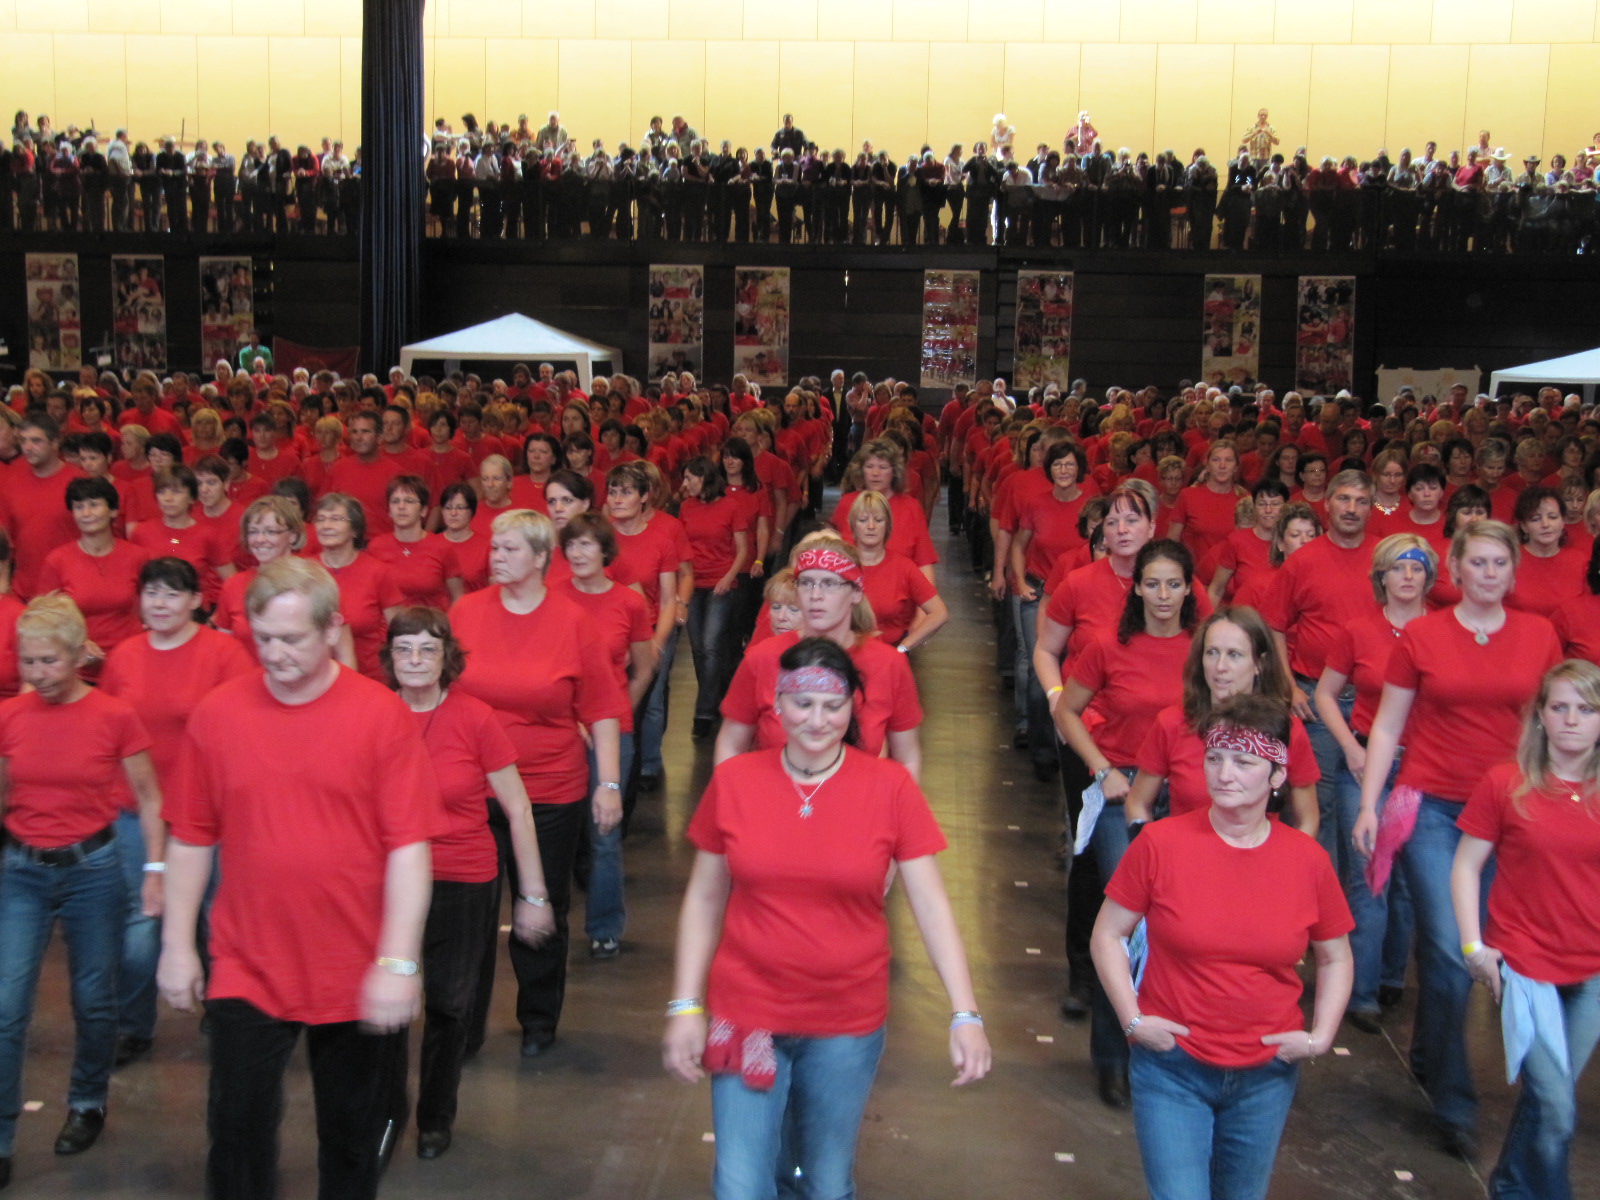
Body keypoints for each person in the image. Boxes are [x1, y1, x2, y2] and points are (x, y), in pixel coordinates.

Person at [157, 557, 445, 1200]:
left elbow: (409, 848)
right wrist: (176, 946)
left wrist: (398, 962)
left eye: (292, 638)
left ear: (332, 628)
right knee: (236, 1132)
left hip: (354, 964)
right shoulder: (218, 715)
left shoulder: (380, 716)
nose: (275, 654)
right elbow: (192, 837)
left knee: (351, 1138)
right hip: (248, 962)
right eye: (262, 638)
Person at [663, 636, 991, 1199]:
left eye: (833, 706)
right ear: (777, 704)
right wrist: (685, 1004)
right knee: (740, 1185)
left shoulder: (889, 787)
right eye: (802, 703)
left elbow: (931, 905)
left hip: (846, 1018)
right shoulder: (735, 781)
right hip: (749, 1012)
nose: (817, 720)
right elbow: (704, 899)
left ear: (852, 707)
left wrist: (965, 1013)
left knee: (826, 1180)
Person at [1353, 519, 1563, 1159]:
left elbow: (1557, 724)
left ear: (1514, 570)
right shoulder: (1423, 635)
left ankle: (1429, 1047)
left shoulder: (1540, 635)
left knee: (1498, 949)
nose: (1489, 574)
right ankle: (1455, 1104)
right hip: (1434, 809)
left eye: (1500, 563)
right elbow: (1388, 726)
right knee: (1453, 950)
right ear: (1456, 570)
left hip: (1513, 812)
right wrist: (1370, 804)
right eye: (1478, 562)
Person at [1092, 694, 1353, 1200]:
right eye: (1214, 758)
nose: (1224, 774)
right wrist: (1132, 1020)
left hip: (1266, 1074)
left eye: (1244, 762)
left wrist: (1320, 1036)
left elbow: (1336, 954)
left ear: (1278, 776)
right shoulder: (1160, 844)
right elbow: (1107, 934)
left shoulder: (1307, 861)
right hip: (1172, 1067)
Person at [449, 509, 626, 1057]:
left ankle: (539, 1020)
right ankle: (462, 1026)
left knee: (540, 901)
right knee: (468, 912)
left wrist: (609, 785)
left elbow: (602, 708)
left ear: (540, 557)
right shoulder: (466, 612)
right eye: (494, 548)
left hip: (549, 788)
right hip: (473, 789)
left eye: (509, 549)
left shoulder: (573, 622)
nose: (496, 557)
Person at [0, 596, 163, 1186]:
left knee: (94, 998)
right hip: (22, 870)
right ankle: (1, 1135)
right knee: (6, 1006)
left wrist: (155, 871)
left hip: (93, 870)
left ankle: (88, 1101)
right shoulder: (9, 716)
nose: (37, 673)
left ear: (76, 657)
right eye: (28, 662)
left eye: (48, 661)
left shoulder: (113, 715)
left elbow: (149, 797)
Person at [379, 608, 553, 1161]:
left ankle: (435, 1117)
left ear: (447, 658)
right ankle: (386, 1111)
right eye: (404, 649)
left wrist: (533, 896)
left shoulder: (475, 717)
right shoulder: (373, 714)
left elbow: (518, 808)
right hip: (388, 880)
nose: (415, 660)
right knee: (385, 1005)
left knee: (450, 1006)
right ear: (389, 657)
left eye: (427, 649)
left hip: (462, 877)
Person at [1053, 539, 1200, 1108]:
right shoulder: (1109, 646)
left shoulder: (1205, 649)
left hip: (1187, 792)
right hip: (1124, 791)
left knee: (1178, 923)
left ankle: (1176, 1048)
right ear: (1136, 588)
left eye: (1174, 584)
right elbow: (1067, 709)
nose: (1163, 595)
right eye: (1152, 583)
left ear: (1189, 590)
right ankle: (1114, 1056)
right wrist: (1101, 768)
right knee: (1128, 920)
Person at [1452, 659, 1600, 1200]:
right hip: (1525, 962)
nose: (1571, 720)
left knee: (1546, 1098)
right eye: (1559, 707)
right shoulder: (1506, 783)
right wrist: (1474, 945)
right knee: (1558, 1108)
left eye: (1586, 709)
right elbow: (1465, 866)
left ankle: (1512, 1186)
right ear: (1540, 716)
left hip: (1592, 969)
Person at [99, 558, 252, 1068]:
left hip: (207, 813)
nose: (159, 603)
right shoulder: (124, 656)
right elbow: (105, 728)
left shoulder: (224, 654)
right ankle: (133, 1026)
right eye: (151, 593)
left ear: (195, 601)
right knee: (142, 919)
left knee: (216, 915)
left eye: (171, 593)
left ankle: (223, 1010)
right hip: (135, 809)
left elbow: (242, 727)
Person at [1312, 534, 1434, 1034]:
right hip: (1365, 767)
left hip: (1423, 770)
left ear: (1429, 576)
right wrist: (1349, 746)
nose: (1407, 576)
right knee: (1368, 877)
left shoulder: (1443, 631)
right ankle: (1360, 992)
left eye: (1416, 568)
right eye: (1397, 568)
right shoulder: (1358, 630)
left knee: (1408, 882)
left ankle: (1391, 977)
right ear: (1380, 576)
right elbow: (1324, 694)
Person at [717, 539, 923, 777]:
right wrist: (734, 797)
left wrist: (895, 801)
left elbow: (907, 758)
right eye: (806, 583)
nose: (815, 595)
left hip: (858, 798)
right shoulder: (762, 658)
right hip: (775, 796)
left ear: (856, 592)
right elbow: (731, 744)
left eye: (829, 584)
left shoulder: (889, 664)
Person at [1261, 468, 1377, 857]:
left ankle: (1361, 890)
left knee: (1367, 805)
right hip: (1313, 699)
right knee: (1318, 805)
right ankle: (1321, 887)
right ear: (1326, 504)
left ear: (1371, 508)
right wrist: (1288, 687)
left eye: (1361, 501)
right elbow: (1273, 626)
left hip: (1374, 701)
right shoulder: (1302, 561)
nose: (1352, 508)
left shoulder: (1385, 557)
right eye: (1344, 499)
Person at [1126, 605, 1320, 834]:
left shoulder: (1286, 729)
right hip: (1186, 852)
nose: (1220, 667)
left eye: (1234, 655)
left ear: (1259, 664)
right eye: (1212, 653)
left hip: (1257, 854)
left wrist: (1287, 858)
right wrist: (1150, 849)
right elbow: (1137, 803)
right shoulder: (1172, 723)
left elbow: (1308, 819)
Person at [558, 512, 657, 958]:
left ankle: (604, 926)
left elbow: (644, 667)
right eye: (571, 545)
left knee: (604, 830)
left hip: (612, 731)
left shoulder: (628, 603)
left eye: (587, 544)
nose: (577, 553)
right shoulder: (553, 598)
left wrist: (616, 713)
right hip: (560, 726)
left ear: (605, 552)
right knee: (557, 828)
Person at [37, 477, 151, 673]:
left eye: (94, 505)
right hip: (77, 668)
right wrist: (79, 641)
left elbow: (149, 610)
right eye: (79, 507)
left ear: (113, 510)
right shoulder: (57, 560)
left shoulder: (138, 556)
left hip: (131, 662)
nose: (86, 513)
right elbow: (44, 619)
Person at [677, 457, 749, 740]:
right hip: (693, 583)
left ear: (704, 477)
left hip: (720, 583)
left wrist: (728, 578)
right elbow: (681, 546)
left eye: (689, 478)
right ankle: (715, 694)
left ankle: (704, 712)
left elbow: (742, 549)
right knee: (698, 649)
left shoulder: (731, 506)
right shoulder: (686, 507)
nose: (685, 484)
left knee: (710, 645)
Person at [312, 493, 404, 680]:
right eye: (320, 519)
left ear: (354, 529)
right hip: (314, 677)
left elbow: (401, 631)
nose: (326, 525)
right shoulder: (304, 571)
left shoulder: (377, 572)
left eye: (336, 519)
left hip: (371, 677)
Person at [850, 491, 948, 649]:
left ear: (887, 526)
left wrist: (903, 647)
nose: (871, 526)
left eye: (878, 520)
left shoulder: (903, 567)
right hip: (846, 656)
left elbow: (939, 613)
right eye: (863, 520)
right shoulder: (841, 565)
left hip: (890, 653)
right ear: (853, 526)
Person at [368, 476, 464, 611]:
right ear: (389, 511)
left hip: (433, 622)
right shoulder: (376, 547)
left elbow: (458, 598)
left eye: (409, 501)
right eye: (395, 501)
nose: (401, 507)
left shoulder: (443, 547)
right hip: (391, 624)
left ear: (423, 510)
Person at [438, 481, 489, 592]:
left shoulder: (487, 547)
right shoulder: (431, 543)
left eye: (460, 508)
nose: (453, 513)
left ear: (471, 511)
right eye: (448, 508)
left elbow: (496, 589)